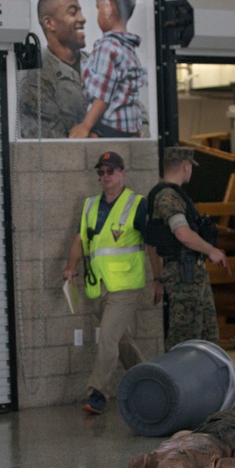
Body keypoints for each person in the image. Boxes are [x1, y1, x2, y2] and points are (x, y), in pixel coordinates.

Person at [62, 151, 151, 415]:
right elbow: (80, 239)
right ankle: (147, 379)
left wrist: (158, 279)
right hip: (97, 286)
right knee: (119, 340)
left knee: (108, 338)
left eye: (110, 171)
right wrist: (70, 266)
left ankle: (98, 393)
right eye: (100, 172)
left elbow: (152, 245)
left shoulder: (137, 203)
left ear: (123, 173)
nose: (105, 177)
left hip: (125, 285)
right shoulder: (90, 205)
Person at [146, 146, 229, 350]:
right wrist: (212, 251)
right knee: (185, 338)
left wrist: (158, 278)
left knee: (207, 336)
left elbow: (151, 242)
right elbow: (183, 234)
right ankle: (175, 380)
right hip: (185, 275)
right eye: (190, 166)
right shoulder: (168, 197)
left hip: (192, 273)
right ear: (185, 166)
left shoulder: (174, 194)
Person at [68, 0, 147, 139]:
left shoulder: (107, 47)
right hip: (129, 127)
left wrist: (85, 126)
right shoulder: (129, 48)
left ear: (108, 9)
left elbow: (103, 94)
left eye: (98, 8)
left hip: (110, 126)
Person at [17, 0, 89, 139]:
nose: (82, 18)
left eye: (80, 11)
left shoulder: (100, 64)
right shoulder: (35, 81)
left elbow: (139, 118)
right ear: (49, 23)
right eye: (73, 12)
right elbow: (51, 146)